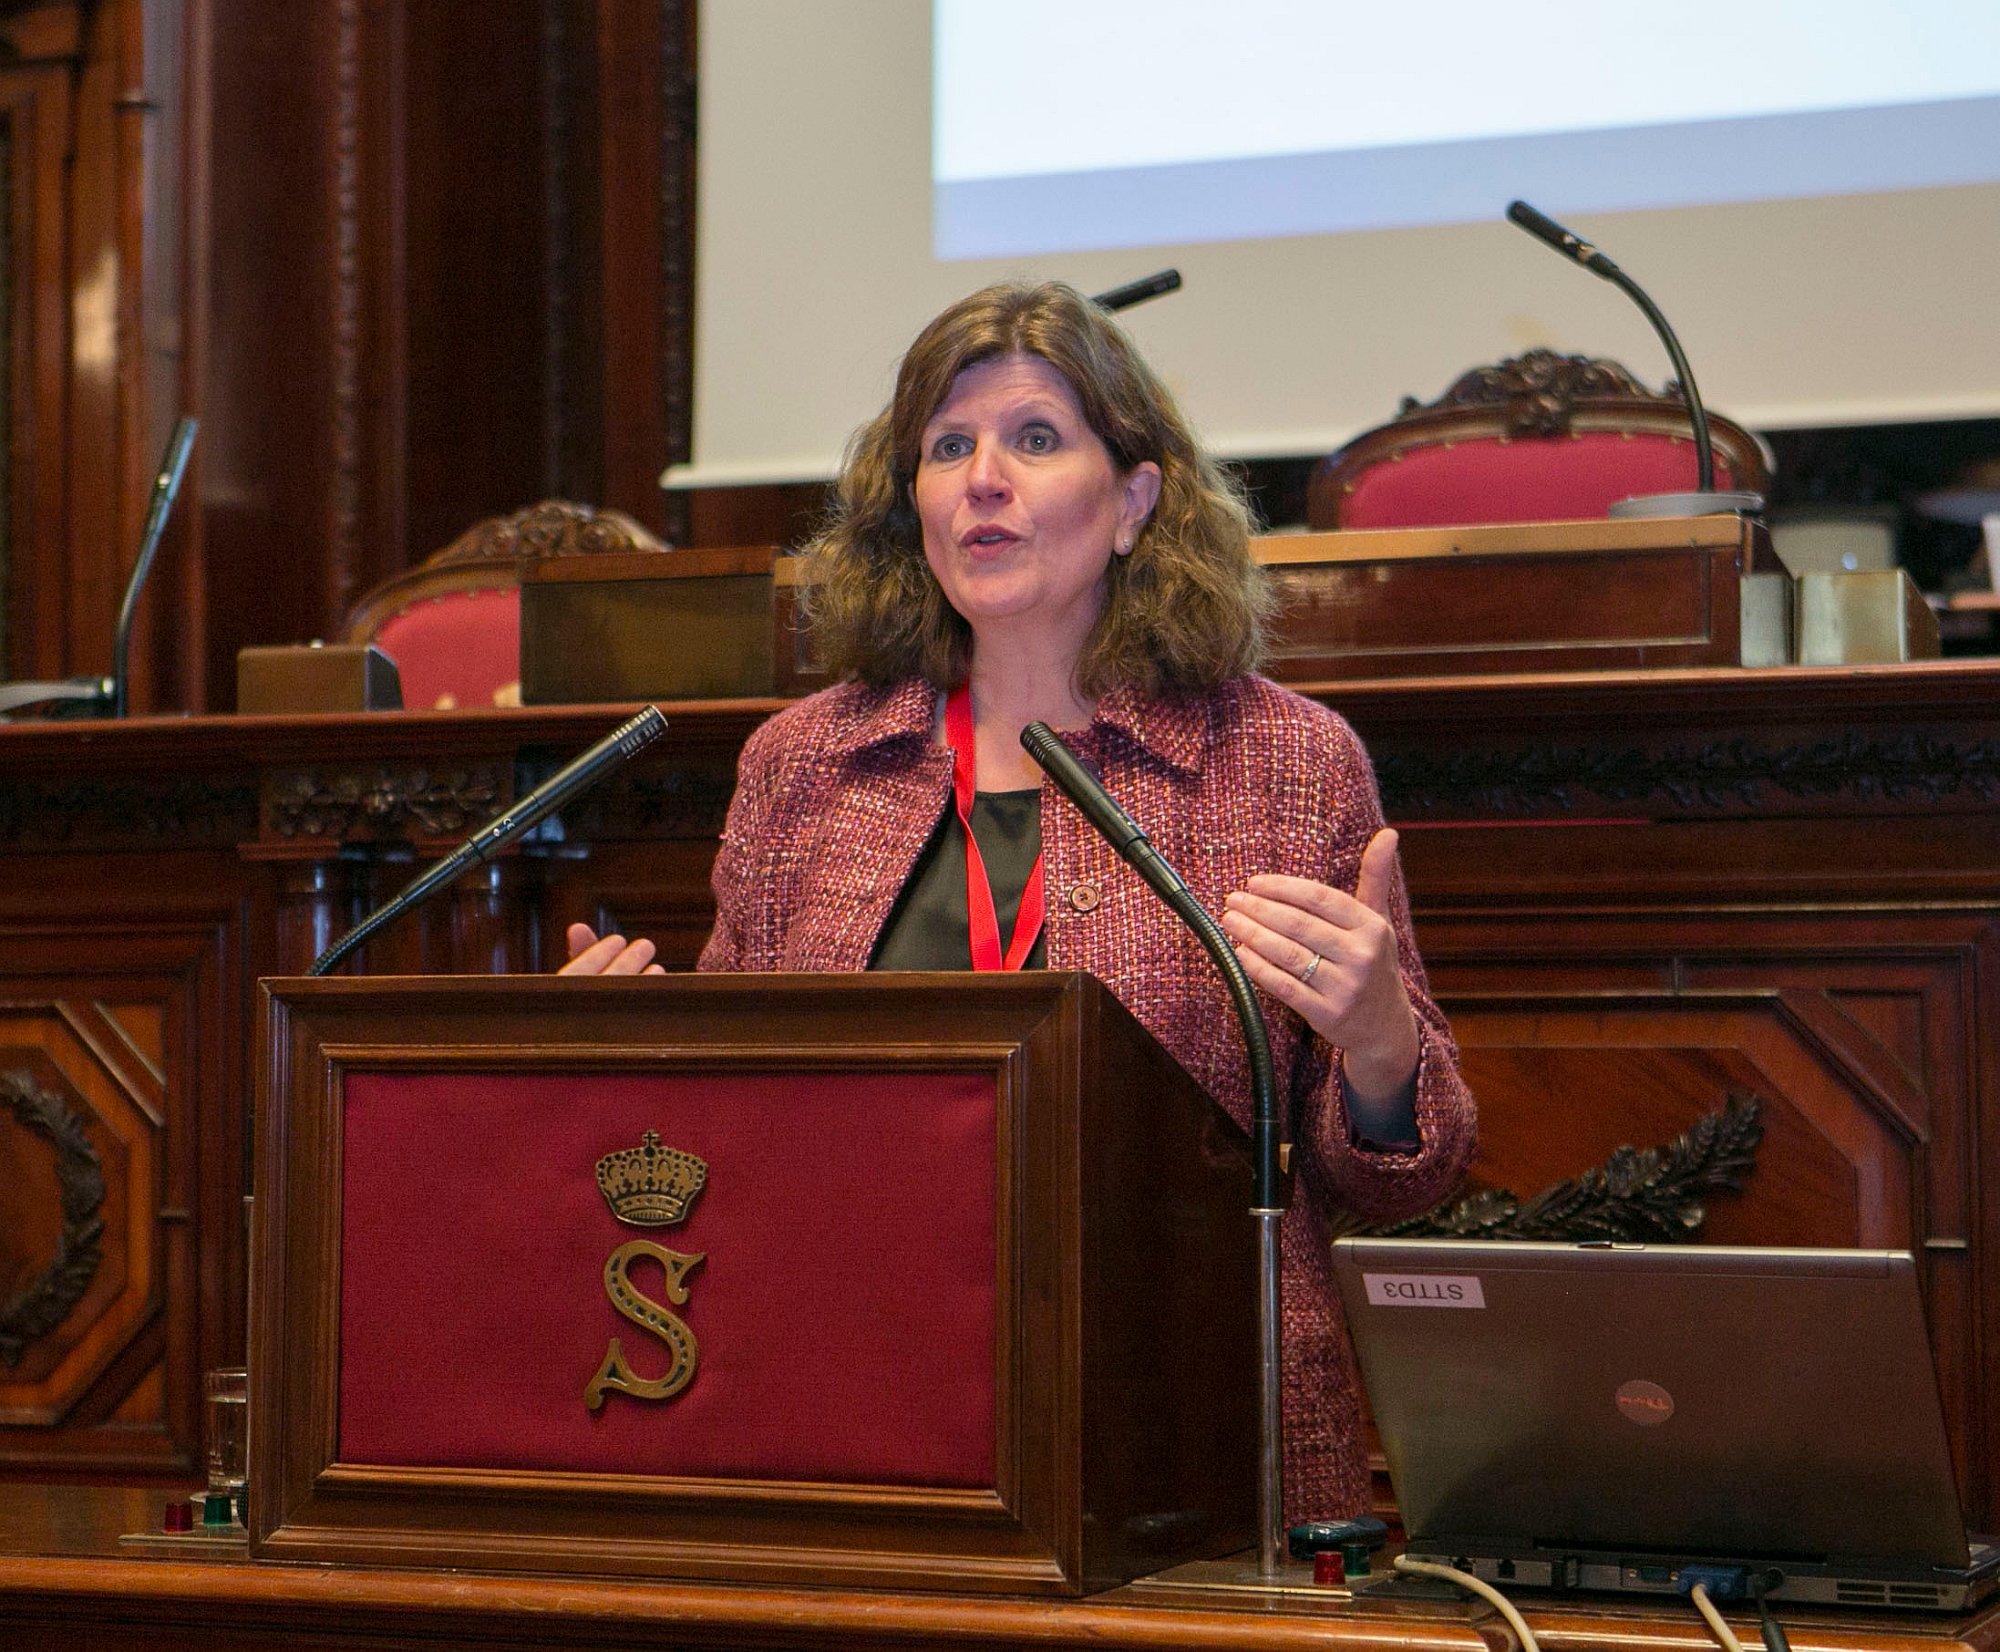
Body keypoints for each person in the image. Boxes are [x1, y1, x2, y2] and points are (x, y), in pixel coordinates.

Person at [562, 280, 1476, 1521]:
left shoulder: (1283, 759)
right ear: (912, 506)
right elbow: (745, 1126)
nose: (982, 478)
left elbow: (1395, 1180)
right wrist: (621, 1052)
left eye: (1034, 439)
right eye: (948, 448)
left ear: (1134, 502)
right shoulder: (807, 763)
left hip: (1184, 1426)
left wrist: (1378, 1047)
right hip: (858, 1405)